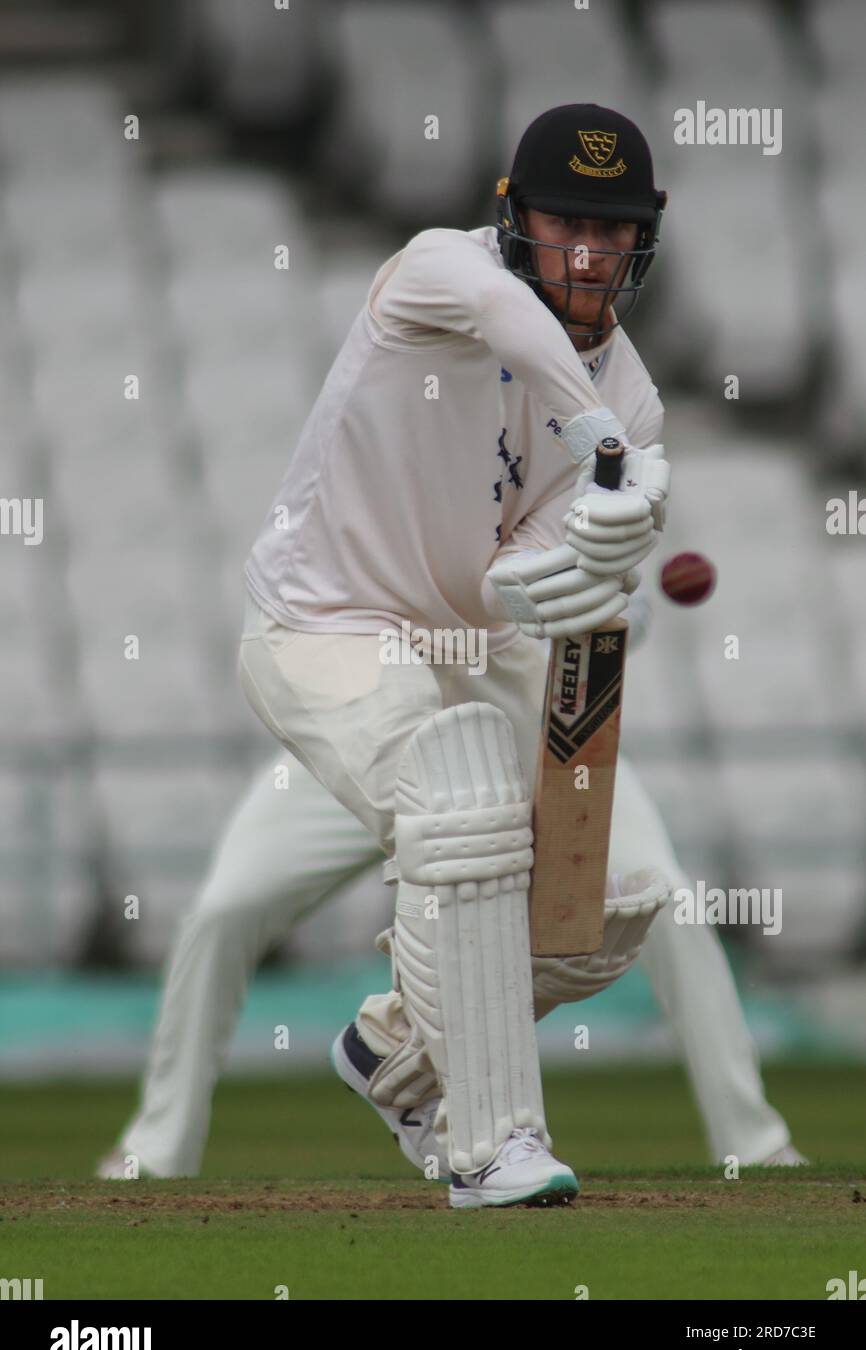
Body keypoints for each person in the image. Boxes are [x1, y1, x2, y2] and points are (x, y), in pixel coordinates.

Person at [99, 105, 804, 1201]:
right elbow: (506, 321)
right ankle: (487, 1141)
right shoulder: (436, 272)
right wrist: (608, 451)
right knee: (457, 798)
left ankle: (389, 1044)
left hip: (465, 644)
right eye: (565, 221)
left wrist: (598, 560)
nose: (588, 252)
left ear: (643, 238)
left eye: (611, 230)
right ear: (510, 218)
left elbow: (511, 583)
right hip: (324, 626)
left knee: (605, 900)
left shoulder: (634, 401)